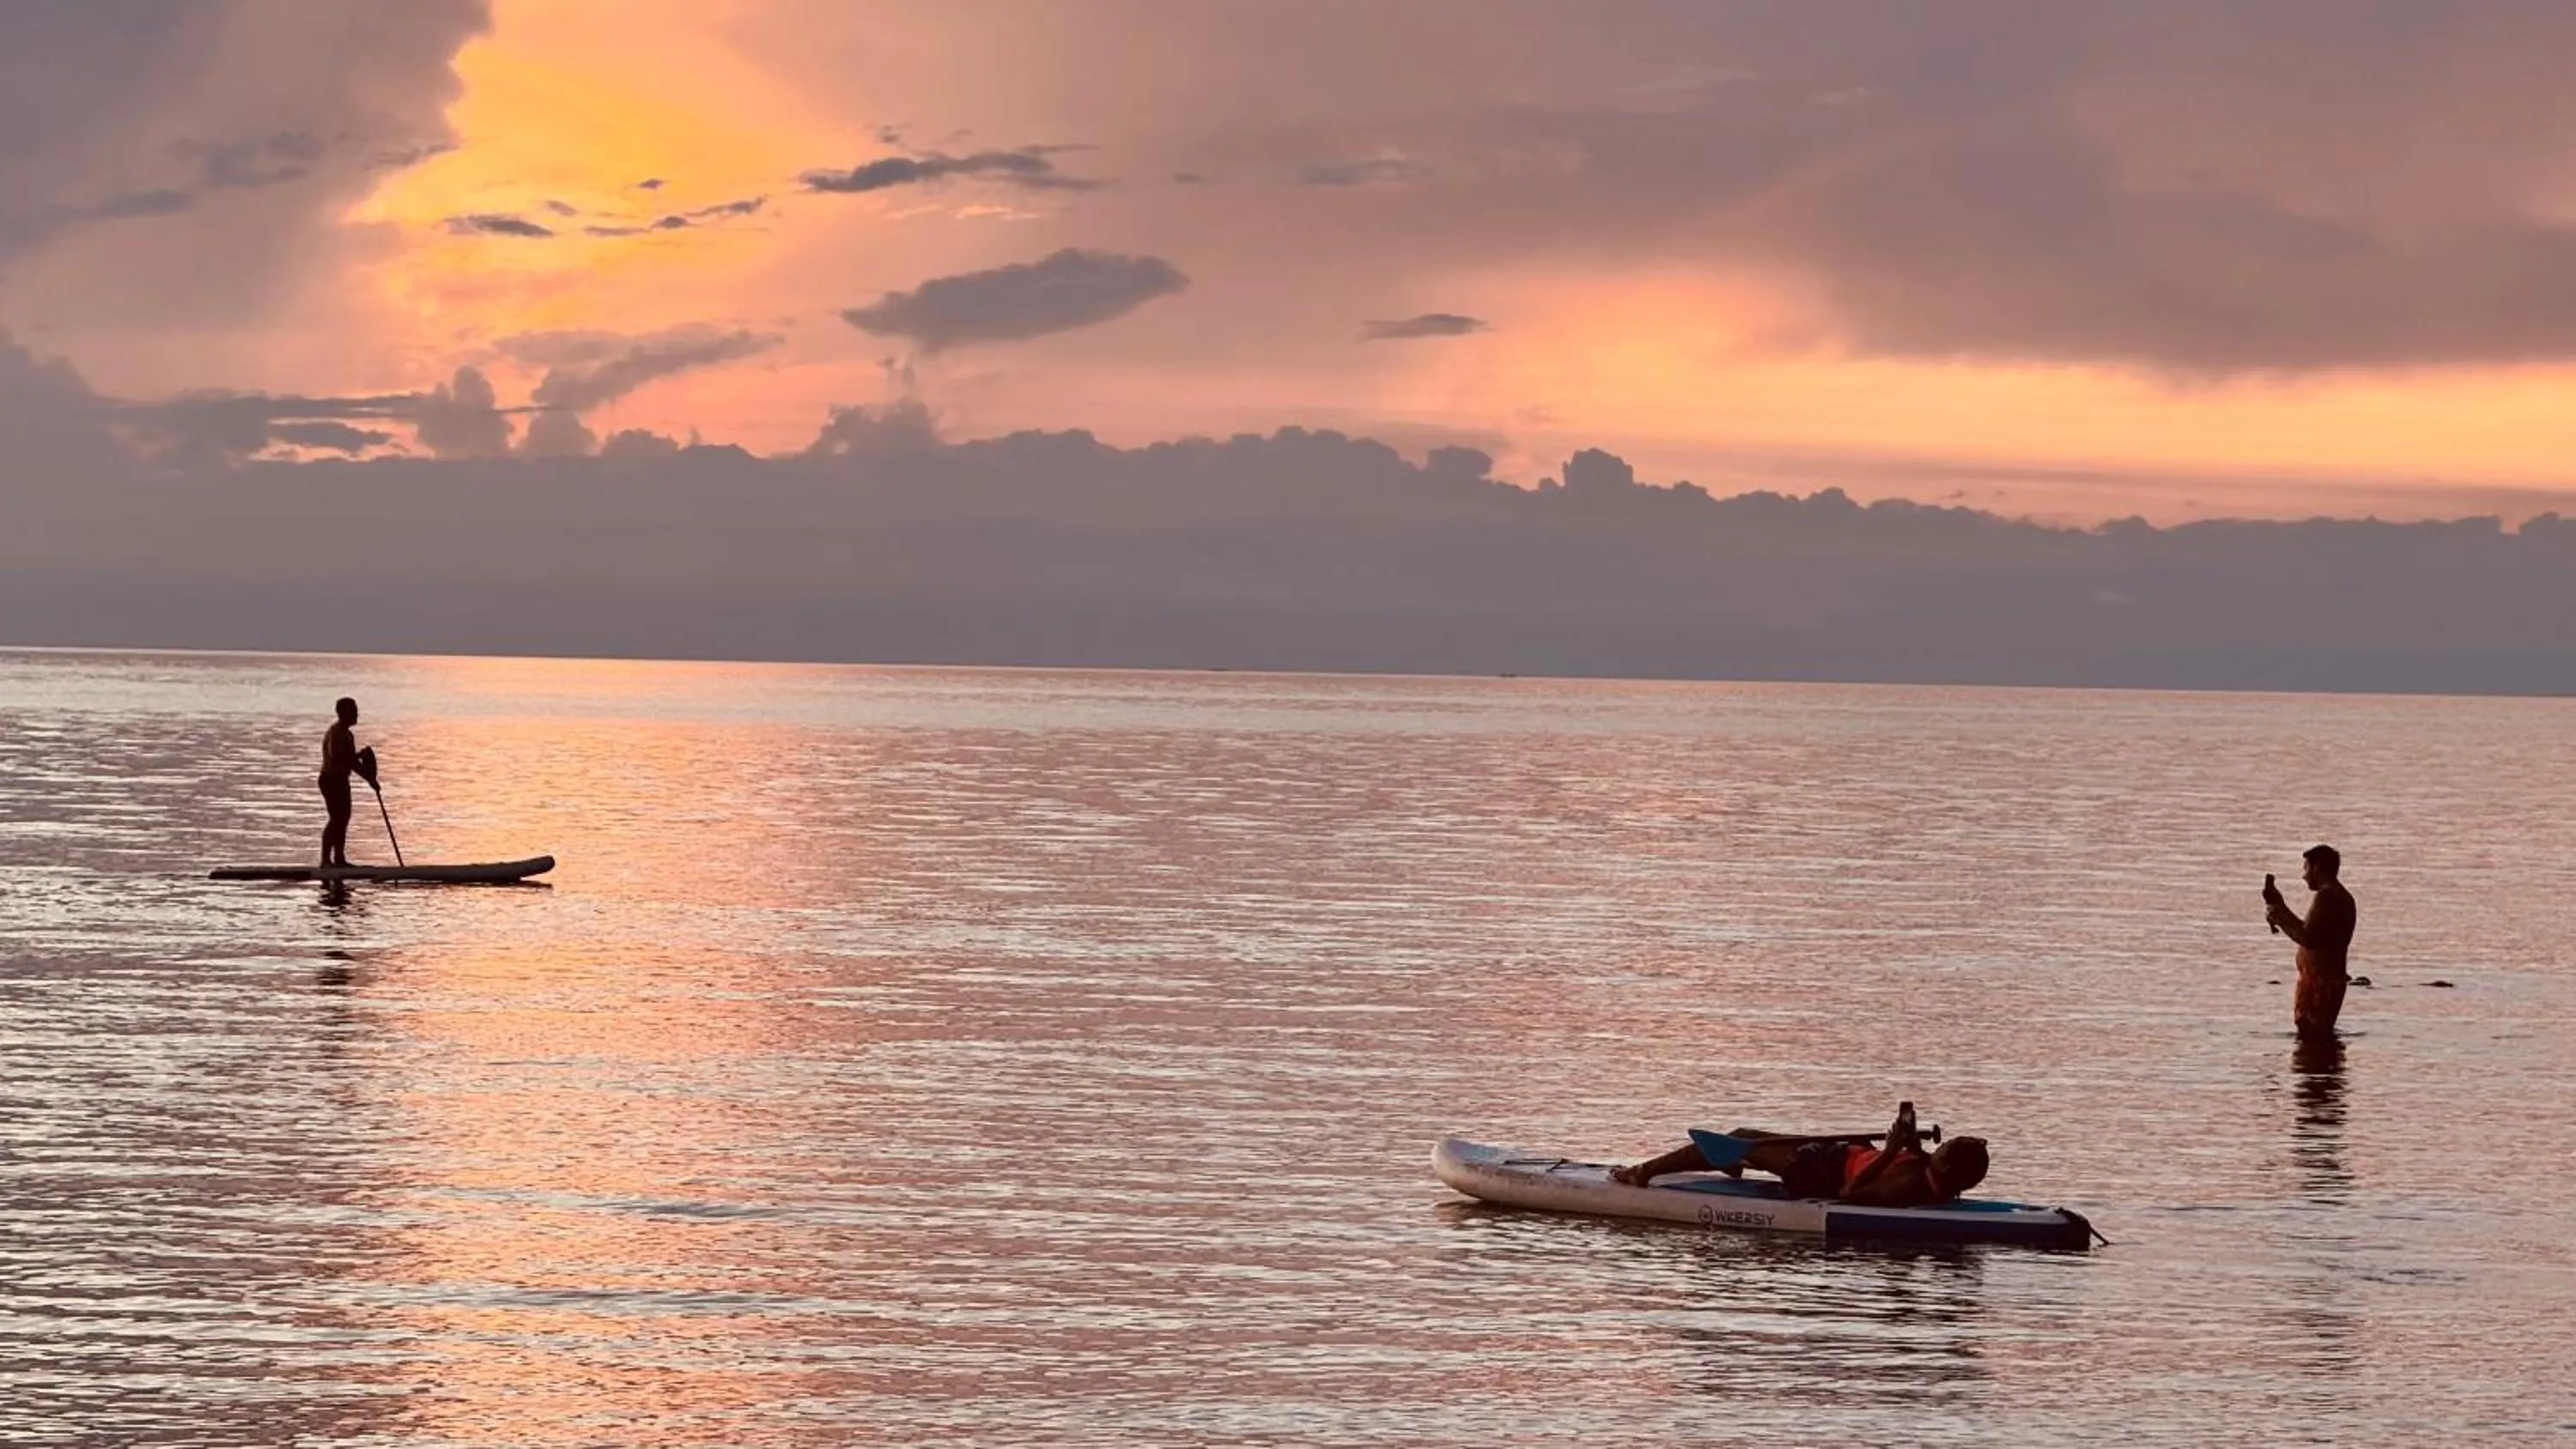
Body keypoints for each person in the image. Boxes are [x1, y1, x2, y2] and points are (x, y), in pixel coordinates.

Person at [1608, 1100, 1990, 1208]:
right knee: (1751, 1142)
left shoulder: (1910, 1186)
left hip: (1819, 1171)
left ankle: (1643, 1172)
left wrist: (1891, 1153)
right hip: (1833, 1156)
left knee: (1744, 1138)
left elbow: (1851, 1196)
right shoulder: (1932, 1173)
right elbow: (1915, 1162)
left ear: (1951, 1167)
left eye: (1945, 1148)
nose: (1940, 1147)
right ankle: (1734, 1161)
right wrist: (1908, 1142)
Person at [2265, 844, 2356, 1039]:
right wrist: (2280, 909)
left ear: (2317, 868)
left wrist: (2279, 914)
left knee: (2313, 1039)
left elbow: (2308, 938)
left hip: (2320, 985)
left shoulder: (2327, 896)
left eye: (2306, 868)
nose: (2304, 876)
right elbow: (2312, 933)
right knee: (2316, 1041)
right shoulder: (2338, 896)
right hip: (2322, 982)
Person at [318, 697, 376, 868]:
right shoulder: (336, 733)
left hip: (342, 781)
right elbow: (339, 757)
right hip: (330, 781)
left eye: (356, 710)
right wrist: (359, 756)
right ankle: (326, 861)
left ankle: (340, 859)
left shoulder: (348, 734)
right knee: (336, 819)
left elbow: (353, 764)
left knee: (343, 820)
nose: (357, 714)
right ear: (343, 713)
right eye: (353, 711)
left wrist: (371, 780)